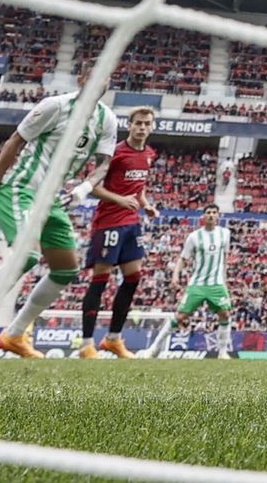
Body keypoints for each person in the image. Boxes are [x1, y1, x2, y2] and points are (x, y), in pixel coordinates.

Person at [0, 86, 120, 358]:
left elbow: (104, 163)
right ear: (82, 77)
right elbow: (14, 141)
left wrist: (85, 187)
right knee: (27, 255)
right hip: (22, 188)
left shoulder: (107, 119)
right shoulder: (55, 106)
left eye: (103, 78)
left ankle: (14, 334)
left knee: (66, 269)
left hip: (51, 197)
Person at [77, 106, 160, 359]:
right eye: (138, 123)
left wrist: (146, 205)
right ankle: (87, 344)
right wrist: (120, 200)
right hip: (109, 222)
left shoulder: (149, 154)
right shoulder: (115, 152)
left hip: (132, 223)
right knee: (101, 280)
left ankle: (113, 339)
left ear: (152, 126)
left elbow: (139, 188)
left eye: (147, 123)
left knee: (133, 278)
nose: (142, 127)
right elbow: (92, 187)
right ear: (130, 125)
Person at [173, 204, 233, 360]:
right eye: (208, 212)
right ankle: (154, 348)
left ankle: (222, 352)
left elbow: (225, 259)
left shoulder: (225, 234)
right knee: (180, 316)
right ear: (203, 216)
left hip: (217, 284)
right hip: (198, 283)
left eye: (214, 212)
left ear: (218, 216)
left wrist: (224, 281)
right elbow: (183, 258)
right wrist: (175, 276)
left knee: (225, 314)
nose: (211, 215)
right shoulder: (194, 236)